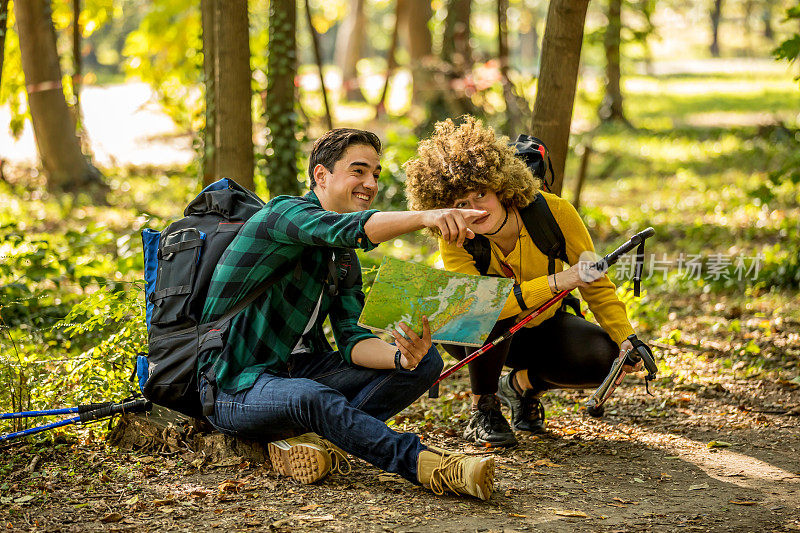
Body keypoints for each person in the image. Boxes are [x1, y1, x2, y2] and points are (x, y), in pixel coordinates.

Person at [198, 128, 495, 500]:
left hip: (295, 372)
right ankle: (431, 466)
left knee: (425, 363)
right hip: (234, 385)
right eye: (359, 171)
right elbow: (350, 229)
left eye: (375, 174)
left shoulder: (342, 261)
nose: (370, 183)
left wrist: (402, 357)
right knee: (310, 396)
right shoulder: (282, 215)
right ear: (321, 176)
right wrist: (425, 217)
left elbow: (354, 342)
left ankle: (317, 443)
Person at [404, 116, 643, 447]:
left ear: (500, 187)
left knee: (608, 356)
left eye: (480, 194)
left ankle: (518, 386)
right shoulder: (456, 235)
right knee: (490, 308)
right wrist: (558, 281)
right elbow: (480, 303)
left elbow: (594, 280)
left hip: (540, 325)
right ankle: (483, 409)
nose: (473, 210)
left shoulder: (554, 212)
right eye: (461, 204)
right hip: (477, 332)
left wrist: (627, 337)